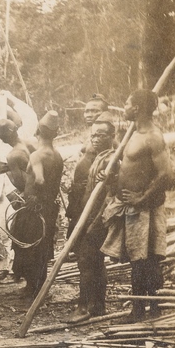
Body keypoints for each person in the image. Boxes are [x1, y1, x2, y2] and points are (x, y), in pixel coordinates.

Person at [101, 89, 173, 322]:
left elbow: (166, 175)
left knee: (145, 260)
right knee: (139, 259)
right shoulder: (134, 132)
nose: (124, 107)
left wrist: (141, 199)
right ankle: (147, 309)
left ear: (137, 109)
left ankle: (144, 310)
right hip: (132, 206)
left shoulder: (152, 136)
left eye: (127, 103)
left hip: (144, 208)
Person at [10, 111, 64, 299]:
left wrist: (34, 198)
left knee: (29, 246)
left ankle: (34, 288)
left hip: (35, 209)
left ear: (37, 132)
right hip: (48, 208)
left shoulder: (37, 156)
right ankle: (37, 286)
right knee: (41, 247)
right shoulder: (57, 155)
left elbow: (40, 180)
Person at [0, 92, 39, 274]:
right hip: (4, 189)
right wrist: (5, 165)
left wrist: (12, 98)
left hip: (21, 187)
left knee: (22, 227)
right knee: (6, 228)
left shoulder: (22, 136)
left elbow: (31, 116)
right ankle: (11, 263)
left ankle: (22, 266)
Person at [70, 113, 117, 322]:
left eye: (101, 135)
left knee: (86, 260)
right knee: (95, 262)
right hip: (88, 217)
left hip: (98, 219)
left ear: (111, 136)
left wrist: (96, 222)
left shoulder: (112, 159)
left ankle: (83, 306)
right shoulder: (99, 156)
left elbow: (111, 196)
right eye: (93, 135)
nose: (96, 139)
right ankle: (97, 305)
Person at [66, 95, 110, 238]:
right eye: (87, 111)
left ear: (105, 112)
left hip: (92, 193)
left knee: (88, 234)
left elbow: (117, 158)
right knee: (77, 235)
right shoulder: (91, 134)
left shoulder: (107, 136)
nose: (89, 114)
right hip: (80, 193)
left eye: (94, 111)